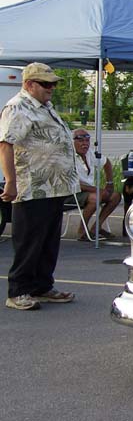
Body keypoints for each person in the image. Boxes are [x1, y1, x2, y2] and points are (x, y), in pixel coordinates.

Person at [0, 63, 79, 310]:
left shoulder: (45, 107)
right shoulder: (17, 107)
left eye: (53, 84)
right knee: (29, 241)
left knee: (48, 241)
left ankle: (42, 286)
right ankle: (18, 292)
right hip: (33, 187)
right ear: (29, 84)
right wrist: (11, 182)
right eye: (46, 84)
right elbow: (6, 145)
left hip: (54, 187)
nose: (51, 88)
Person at [70, 128, 121, 240]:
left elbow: (106, 162)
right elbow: (73, 183)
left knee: (115, 196)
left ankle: (96, 227)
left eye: (87, 141)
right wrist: (96, 190)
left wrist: (109, 182)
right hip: (72, 193)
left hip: (89, 191)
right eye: (80, 141)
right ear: (72, 142)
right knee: (96, 197)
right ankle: (82, 230)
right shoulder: (68, 157)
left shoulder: (90, 153)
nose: (85, 144)